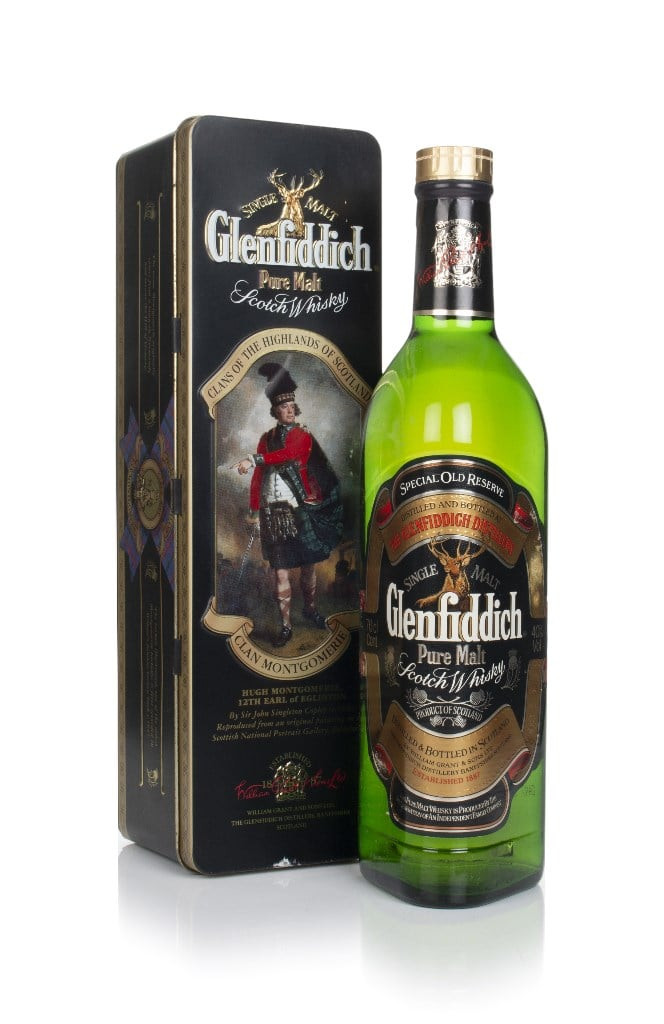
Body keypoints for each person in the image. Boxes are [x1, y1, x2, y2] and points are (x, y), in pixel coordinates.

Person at [236, 362, 343, 646]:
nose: (290, 410)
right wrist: (253, 511)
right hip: (272, 513)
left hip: (298, 510)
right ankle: (286, 625)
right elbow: (259, 477)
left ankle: (310, 610)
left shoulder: (302, 436)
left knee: (308, 567)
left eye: (293, 406)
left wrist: (253, 459)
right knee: (280, 571)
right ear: (276, 410)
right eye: (285, 407)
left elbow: (287, 455)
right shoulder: (265, 439)